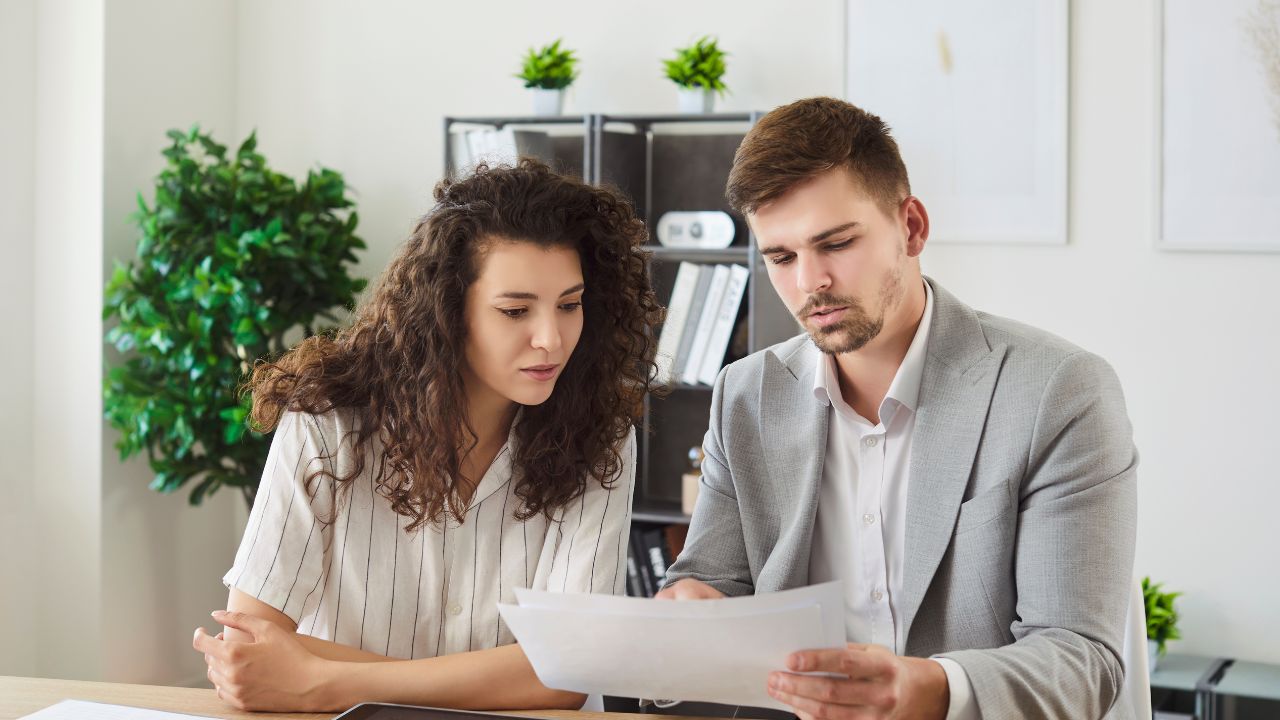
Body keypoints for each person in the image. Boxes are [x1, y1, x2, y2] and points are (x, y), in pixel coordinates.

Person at [658, 97, 1138, 720]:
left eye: (835, 243)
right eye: (781, 257)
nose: (810, 282)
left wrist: (927, 690)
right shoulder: (745, 396)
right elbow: (711, 584)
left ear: (911, 227)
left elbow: (1080, 660)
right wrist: (690, 606)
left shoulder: (1059, 392)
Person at [192, 159, 661, 713]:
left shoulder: (599, 439)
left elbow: (565, 674)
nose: (551, 340)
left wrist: (326, 679)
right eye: (515, 310)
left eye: (569, 304)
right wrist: (500, 677)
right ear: (447, 309)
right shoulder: (328, 423)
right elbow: (251, 652)